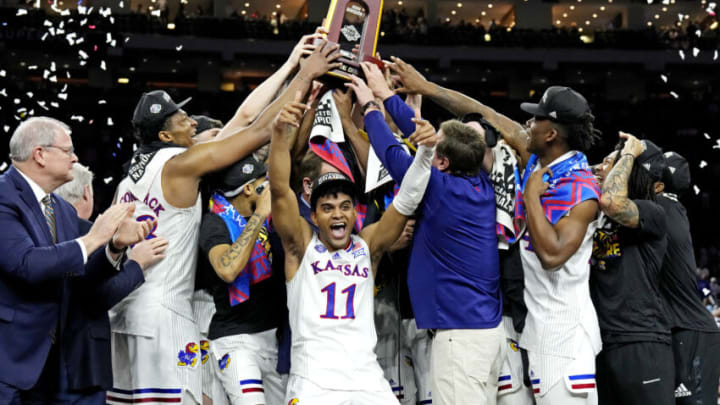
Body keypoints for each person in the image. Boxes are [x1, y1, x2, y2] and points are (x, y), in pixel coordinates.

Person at [108, 42, 341, 404]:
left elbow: (245, 117)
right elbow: (257, 128)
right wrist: (306, 74)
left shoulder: (128, 179)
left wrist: (294, 66)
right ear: (166, 136)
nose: (192, 121)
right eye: (181, 119)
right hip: (167, 310)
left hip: (125, 311)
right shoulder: (179, 163)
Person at [351, 62, 503, 405]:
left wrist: (371, 104)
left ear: (444, 163)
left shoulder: (438, 189)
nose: (431, 152)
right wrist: (388, 95)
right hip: (480, 333)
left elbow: (391, 154)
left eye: (437, 151)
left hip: (460, 340)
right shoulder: (480, 183)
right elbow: (422, 134)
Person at [268, 94, 435, 404]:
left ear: (354, 211)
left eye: (345, 206)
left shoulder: (367, 244)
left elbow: (407, 199)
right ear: (313, 215)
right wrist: (279, 134)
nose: (338, 213)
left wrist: (426, 151)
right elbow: (279, 190)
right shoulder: (301, 247)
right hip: (313, 381)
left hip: (367, 379)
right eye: (328, 207)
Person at [0, 117, 150, 402]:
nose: (75, 158)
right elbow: (27, 264)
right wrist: (94, 238)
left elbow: (79, 280)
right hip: (9, 360)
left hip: (53, 368)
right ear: (40, 154)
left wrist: (114, 247)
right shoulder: (3, 196)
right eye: (67, 151)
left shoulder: (60, 209)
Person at [591, 134, 673, 405]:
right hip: (600, 340)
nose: (606, 168)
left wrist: (627, 155)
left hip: (641, 339)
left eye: (615, 164)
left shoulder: (654, 213)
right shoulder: (593, 210)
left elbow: (612, 203)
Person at [198, 156, 288, 405]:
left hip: (273, 338)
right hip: (235, 340)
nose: (269, 187)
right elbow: (227, 269)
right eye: (264, 182)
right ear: (250, 188)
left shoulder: (274, 217)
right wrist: (259, 215)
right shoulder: (214, 223)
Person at [655, 152, 720, 404]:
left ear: (659, 185)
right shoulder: (670, 208)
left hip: (690, 331)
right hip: (680, 328)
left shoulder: (660, 208)